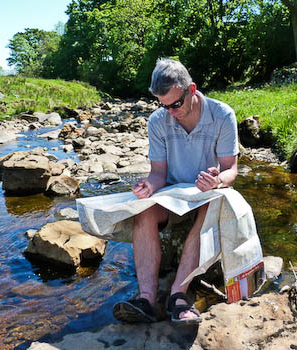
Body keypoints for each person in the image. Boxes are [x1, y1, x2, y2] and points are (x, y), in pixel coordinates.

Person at [112, 58, 238, 324]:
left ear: (191, 90)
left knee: (208, 206)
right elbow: (158, 173)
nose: (170, 112)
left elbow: (230, 170)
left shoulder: (222, 114)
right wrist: (149, 186)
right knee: (143, 212)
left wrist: (217, 181)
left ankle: (178, 296)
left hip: (206, 193)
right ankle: (146, 299)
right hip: (172, 196)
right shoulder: (158, 121)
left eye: (176, 104)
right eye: (164, 106)